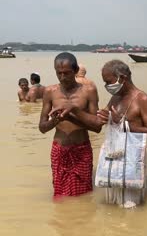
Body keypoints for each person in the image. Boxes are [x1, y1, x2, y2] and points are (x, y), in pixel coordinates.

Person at [38, 52, 102, 197]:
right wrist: (56, 120)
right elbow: (42, 128)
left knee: (84, 194)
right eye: (58, 73)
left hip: (81, 149)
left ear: (75, 71)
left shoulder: (88, 91)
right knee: (60, 195)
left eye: (66, 73)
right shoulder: (49, 92)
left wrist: (73, 111)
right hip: (59, 150)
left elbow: (97, 127)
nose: (62, 77)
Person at [97, 60, 147, 208]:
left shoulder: (143, 99)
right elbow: (104, 118)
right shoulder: (115, 97)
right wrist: (103, 117)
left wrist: (123, 124)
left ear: (122, 78)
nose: (107, 87)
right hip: (114, 156)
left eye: (108, 82)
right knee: (112, 203)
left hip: (133, 159)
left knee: (130, 205)